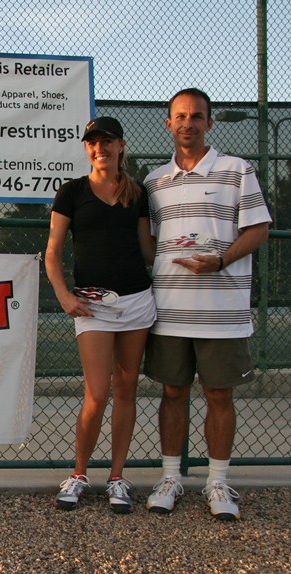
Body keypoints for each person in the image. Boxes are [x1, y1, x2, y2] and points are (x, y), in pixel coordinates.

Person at [143, 88, 271, 521]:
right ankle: (170, 478)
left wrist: (220, 260)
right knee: (172, 392)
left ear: (209, 123)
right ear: (168, 124)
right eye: (180, 116)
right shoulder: (154, 181)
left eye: (197, 116)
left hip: (223, 312)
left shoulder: (237, 170)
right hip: (169, 311)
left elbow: (258, 230)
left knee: (219, 394)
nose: (188, 123)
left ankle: (217, 482)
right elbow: (152, 243)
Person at [45, 116, 156, 513]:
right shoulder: (72, 192)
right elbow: (53, 252)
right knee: (96, 393)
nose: (100, 148)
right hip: (92, 306)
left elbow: (149, 251)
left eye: (107, 141)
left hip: (137, 302)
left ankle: (117, 477)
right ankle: (78, 474)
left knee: (126, 389)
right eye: (93, 142)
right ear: (86, 148)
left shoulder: (137, 192)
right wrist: (63, 295)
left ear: (121, 146)